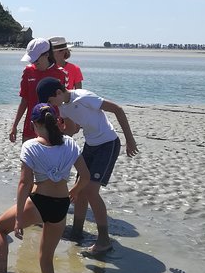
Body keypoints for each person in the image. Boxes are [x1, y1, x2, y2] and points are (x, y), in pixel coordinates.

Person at [37, 77, 139, 254]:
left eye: (50, 101)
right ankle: (77, 232)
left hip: (108, 144)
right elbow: (72, 129)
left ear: (59, 92)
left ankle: (104, 240)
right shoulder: (62, 106)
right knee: (80, 190)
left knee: (91, 191)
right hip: (90, 145)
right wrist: (59, 131)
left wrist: (129, 140)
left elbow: (118, 110)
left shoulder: (84, 98)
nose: (51, 105)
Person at [0, 103, 90, 273]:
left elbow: (25, 183)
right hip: (61, 205)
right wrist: (74, 192)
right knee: (46, 258)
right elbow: (85, 176)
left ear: (35, 124)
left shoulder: (31, 146)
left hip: (39, 202)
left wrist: (19, 218)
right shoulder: (70, 143)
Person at [9, 37, 67, 144]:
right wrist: (15, 125)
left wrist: (65, 124)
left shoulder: (60, 74)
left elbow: (64, 103)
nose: (33, 62)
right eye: (31, 59)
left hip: (53, 126)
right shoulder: (28, 71)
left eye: (36, 59)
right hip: (31, 126)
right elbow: (24, 100)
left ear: (46, 54)